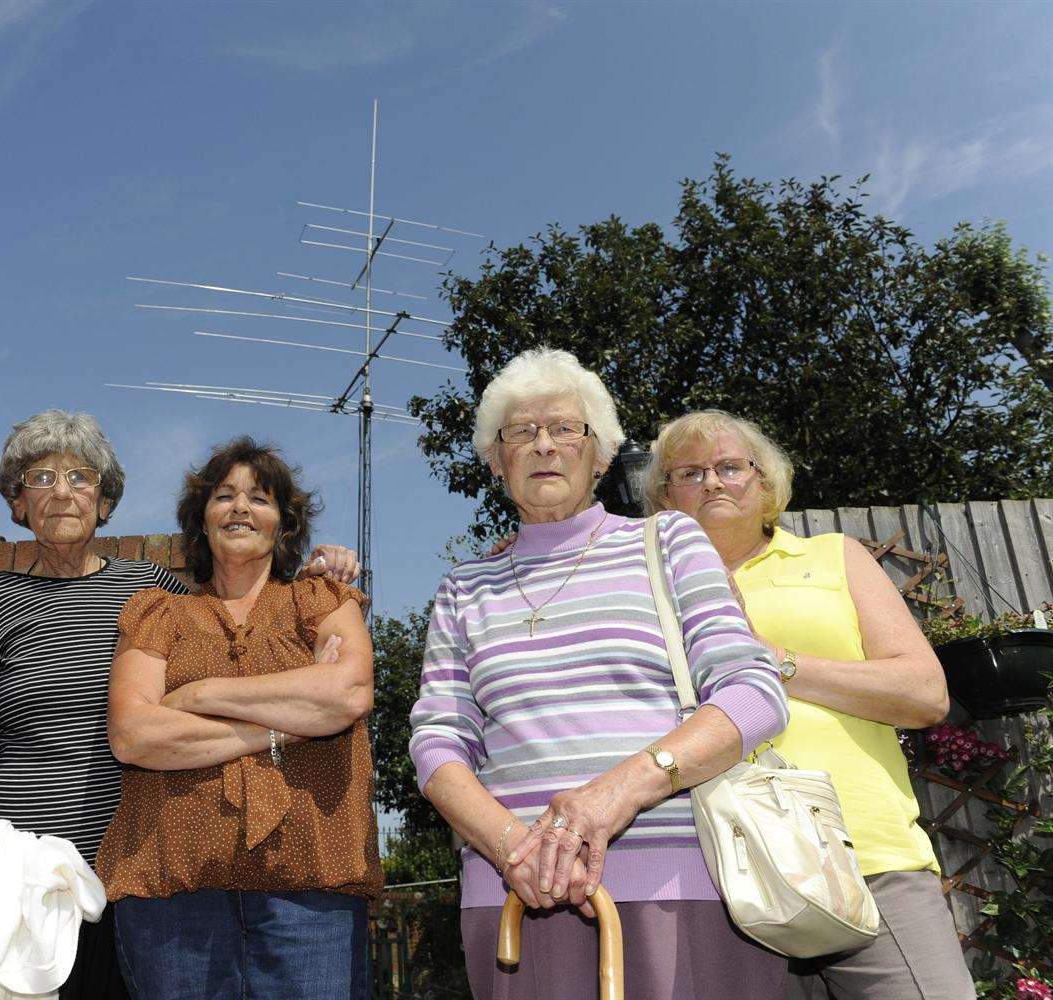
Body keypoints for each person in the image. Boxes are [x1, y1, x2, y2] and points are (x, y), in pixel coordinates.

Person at [0, 410, 360, 998]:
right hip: (25, 870)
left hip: (134, 860)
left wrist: (318, 570)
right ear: (16, 502)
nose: (62, 492)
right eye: (41, 478)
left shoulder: (152, 589)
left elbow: (243, 611)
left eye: (80, 477)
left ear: (104, 501)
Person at [410, 348, 790, 1000]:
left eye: (565, 428)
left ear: (603, 453)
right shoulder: (462, 588)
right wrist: (512, 848)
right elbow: (436, 743)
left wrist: (612, 796)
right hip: (514, 898)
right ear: (495, 460)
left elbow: (753, 693)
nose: (543, 445)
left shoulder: (667, 543)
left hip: (681, 888)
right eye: (520, 433)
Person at [643, 409, 968, 1000]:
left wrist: (776, 661)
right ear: (664, 498)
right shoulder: (639, 588)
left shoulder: (834, 557)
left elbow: (925, 693)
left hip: (864, 855)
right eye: (688, 473)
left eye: (730, 467)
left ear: (764, 482)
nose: (712, 483)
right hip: (713, 874)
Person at [95, 436, 381, 1000]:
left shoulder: (321, 601)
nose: (241, 508)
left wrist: (200, 694)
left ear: (285, 525)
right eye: (224, 496)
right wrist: (287, 722)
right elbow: (133, 735)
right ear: (201, 522)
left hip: (312, 894)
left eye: (260, 498)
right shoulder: (159, 613)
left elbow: (346, 693)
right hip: (171, 899)